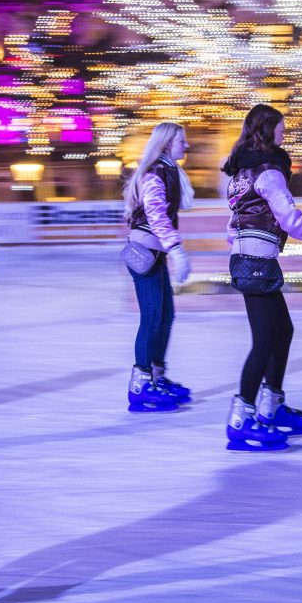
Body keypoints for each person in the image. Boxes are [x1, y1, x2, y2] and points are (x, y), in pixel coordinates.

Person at [221, 104, 302, 451]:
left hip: (247, 257)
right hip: (257, 259)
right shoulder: (269, 171)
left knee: (282, 331)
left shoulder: (241, 172)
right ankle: (241, 418)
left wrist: (240, 244)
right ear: (267, 130)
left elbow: (235, 220)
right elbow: (289, 219)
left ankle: (271, 404)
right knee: (264, 341)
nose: (284, 133)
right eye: (281, 128)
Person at [122, 122, 193, 412]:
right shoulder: (155, 172)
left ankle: (156, 377)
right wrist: (176, 249)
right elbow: (155, 213)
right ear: (166, 144)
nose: (186, 146)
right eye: (181, 141)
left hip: (155, 251)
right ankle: (140, 385)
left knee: (166, 315)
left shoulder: (169, 170)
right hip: (145, 252)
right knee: (152, 317)